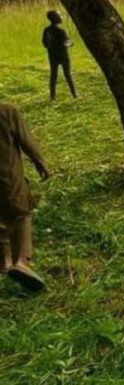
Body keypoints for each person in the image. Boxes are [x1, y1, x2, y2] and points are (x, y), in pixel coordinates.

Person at [0, 103, 51, 291]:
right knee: (22, 213)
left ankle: (4, 262)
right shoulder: (7, 112)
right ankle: (21, 261)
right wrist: (40, 162)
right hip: (9, 175)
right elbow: (25, 140)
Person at [42, 10, 77, 100]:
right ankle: (74, 95)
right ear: (55, 18)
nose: (61, 17)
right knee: (68, 75)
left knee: (53, 76)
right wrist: (71, 44)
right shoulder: (61, 31)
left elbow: (45, 43)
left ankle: (52, 97)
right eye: (60, 15)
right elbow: (64, 44)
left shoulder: (47, 30)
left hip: (52, 56)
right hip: (63, 56)